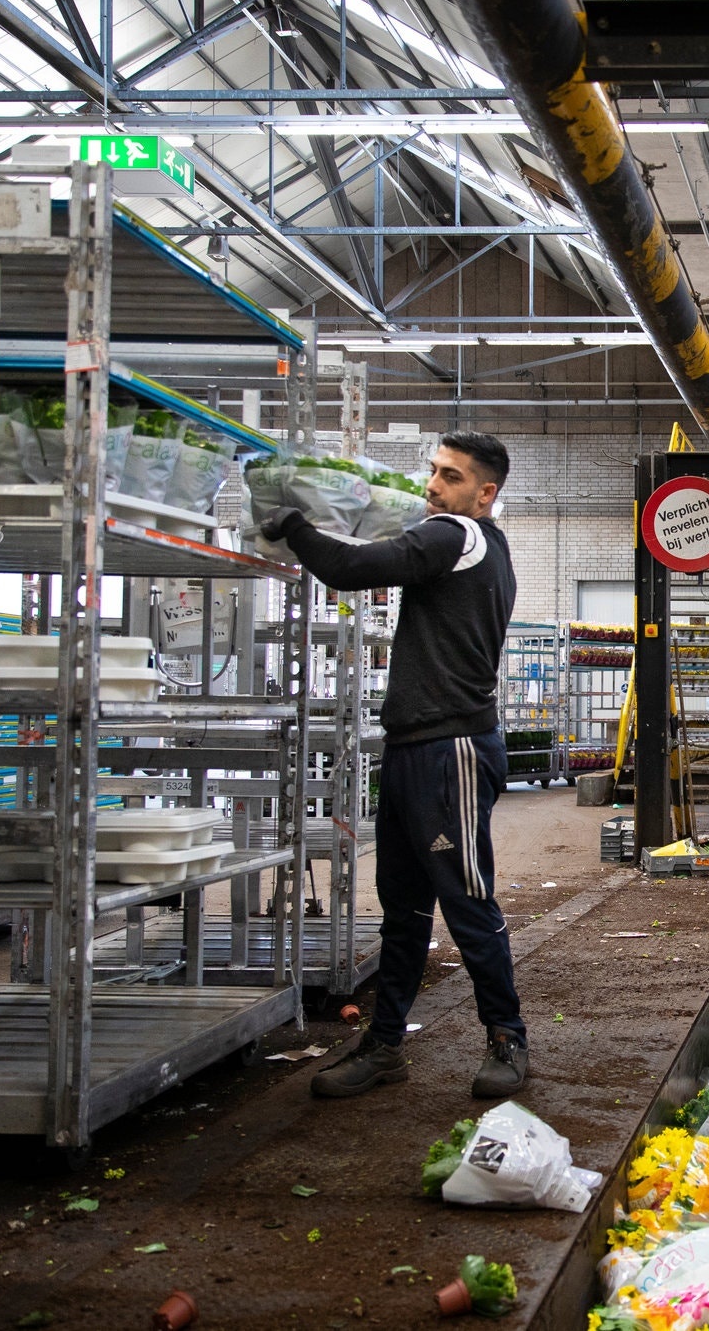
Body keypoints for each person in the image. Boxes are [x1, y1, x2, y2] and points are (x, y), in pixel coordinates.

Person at [258, 432, 529, 1100]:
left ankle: (508, 1037)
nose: (434, 485)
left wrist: (292, 522)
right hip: (413, 747)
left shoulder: (457, 536)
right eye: (433, 471)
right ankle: (384, 1046)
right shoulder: (464, 543)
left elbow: (353, 568)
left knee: (467, 902)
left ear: (484, 493)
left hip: (452, 751)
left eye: (452, 475)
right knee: (402, 909)